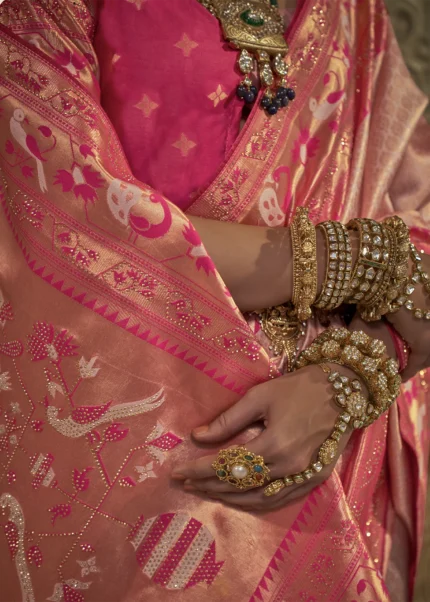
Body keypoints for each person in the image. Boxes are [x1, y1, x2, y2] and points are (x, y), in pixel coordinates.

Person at [0, 1, 429, 601]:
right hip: (130, 443)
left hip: (327, 461)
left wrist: (347, 379)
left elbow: (421, 234)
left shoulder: (356, 15)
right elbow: (55, 201)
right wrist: (349, 259)